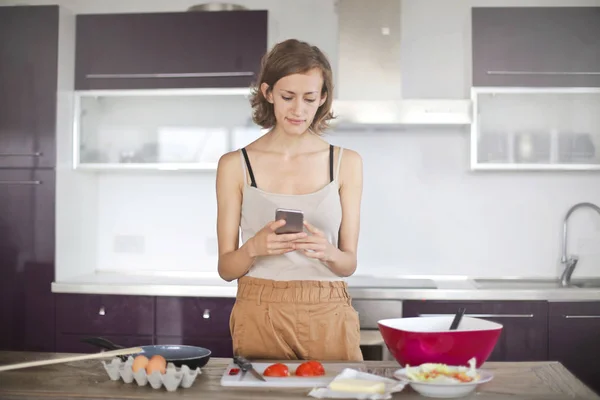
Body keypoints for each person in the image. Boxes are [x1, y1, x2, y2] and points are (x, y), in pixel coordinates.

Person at [215, 38, 364, 361]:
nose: (299, 110)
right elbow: (227, 268)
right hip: (259, 307)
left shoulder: (346, 163)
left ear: (322, 98)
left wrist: (328, 251)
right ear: (268, 93)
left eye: (310, 98)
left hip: (328, 308)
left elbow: (348, 264)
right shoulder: (234, 165)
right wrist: (254, 247)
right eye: (287, 97)